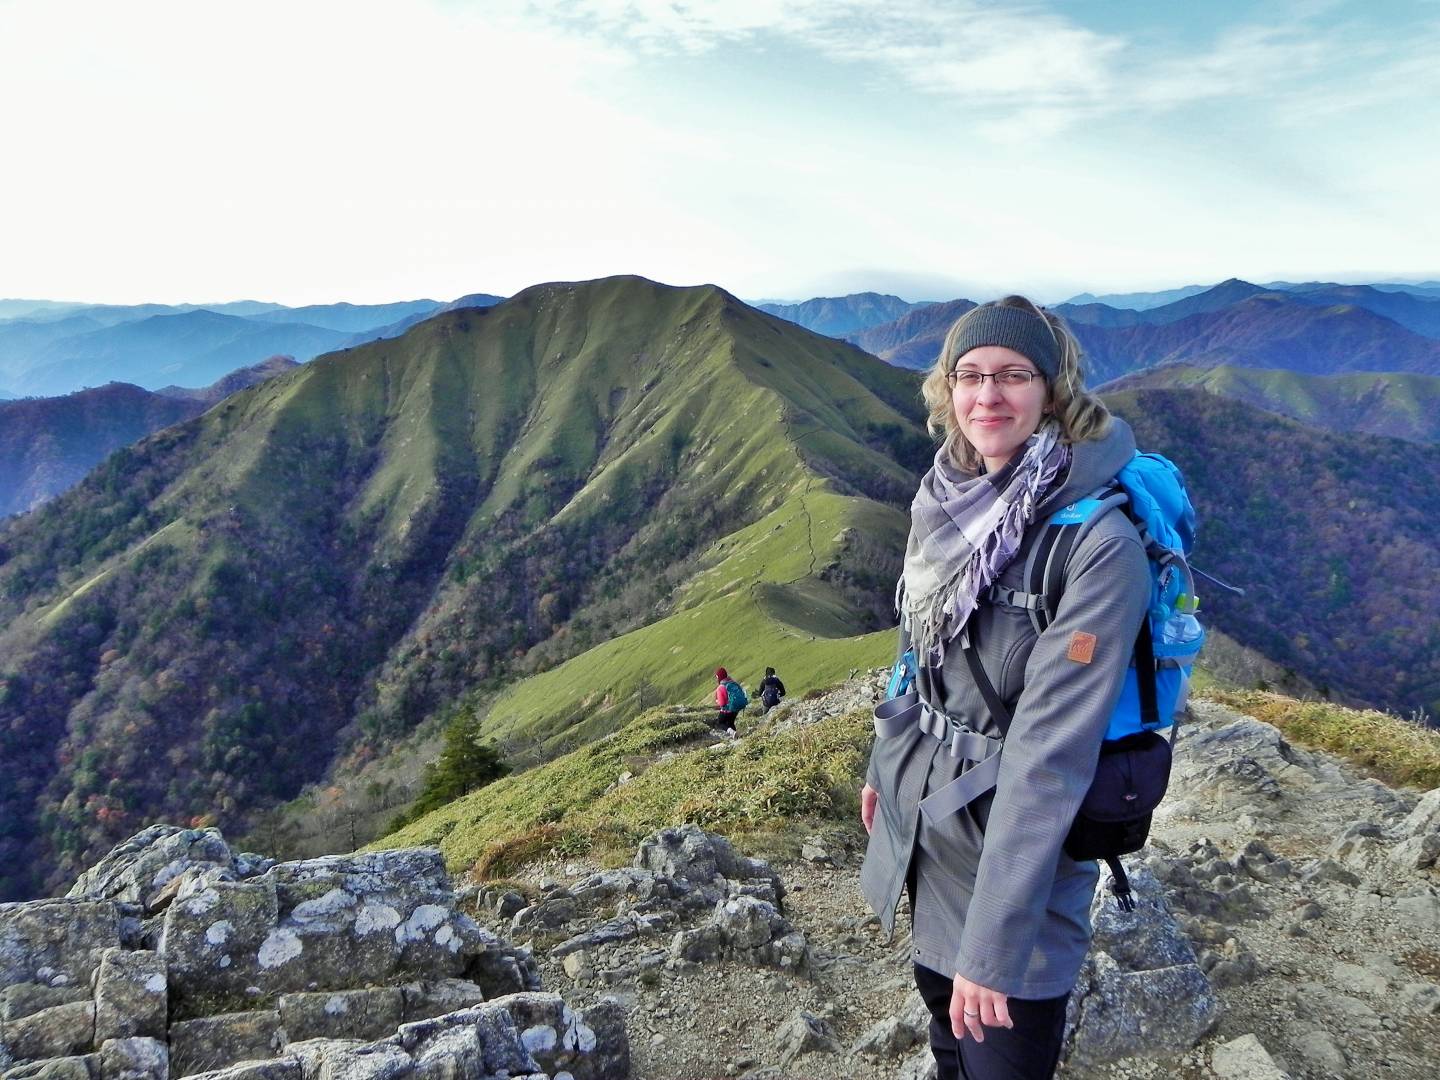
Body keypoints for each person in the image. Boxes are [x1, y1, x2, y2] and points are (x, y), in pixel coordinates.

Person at [858, 296, 1151, 1080]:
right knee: (945, 1037)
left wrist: (992, 946)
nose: (988, 395)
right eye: (970, 375)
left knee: (1001, 1060)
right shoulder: (947, 496)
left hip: (1017, 860)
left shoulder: (1097, 548)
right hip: (935, 823)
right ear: (946, 391)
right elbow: (917, 642)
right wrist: (885, 765)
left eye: (1014, 375)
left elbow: (1050, 760)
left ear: (1051, 390)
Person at [712, 667, 742, 738]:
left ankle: (732, 733)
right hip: (735, 709)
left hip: (727, 710)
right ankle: (736, 736)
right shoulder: (732, 682)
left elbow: (722, 703)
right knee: (730, 723)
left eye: (717, 677)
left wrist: (717, 701)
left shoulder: (721, 687)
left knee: (720, 723)